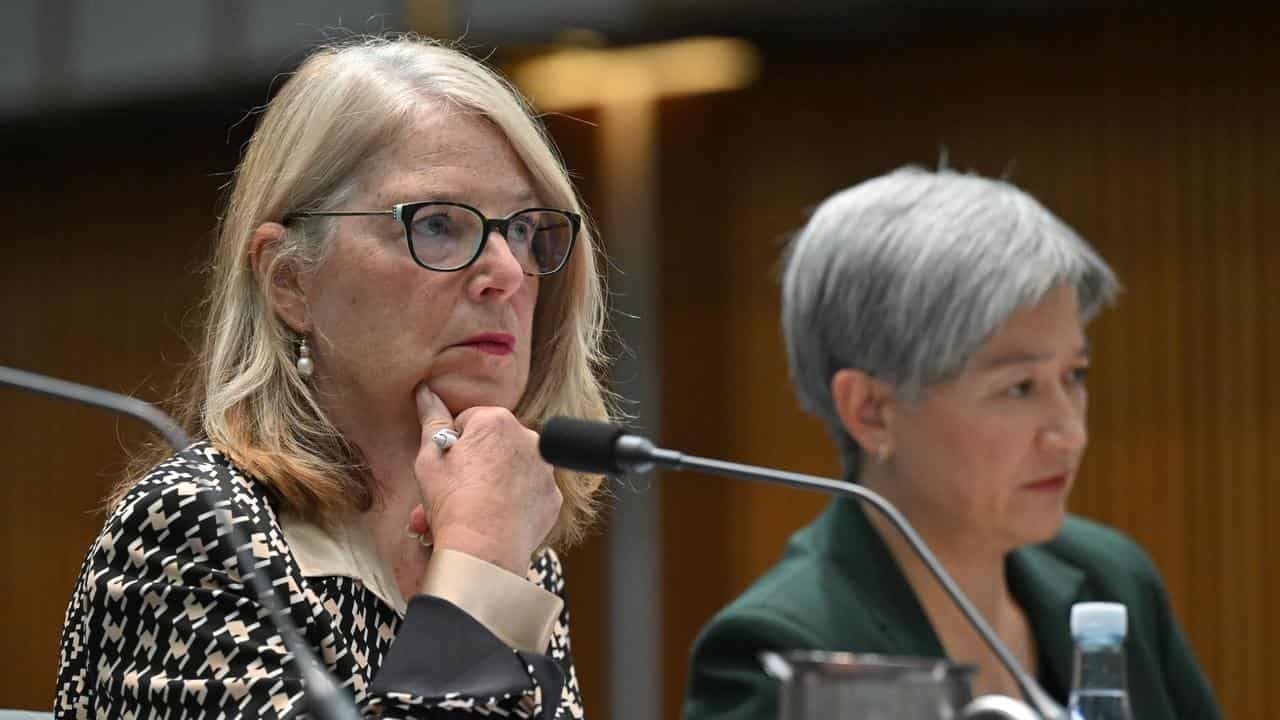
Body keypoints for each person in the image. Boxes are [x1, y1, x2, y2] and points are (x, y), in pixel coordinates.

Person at [55, 35, 613, 719]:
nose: (505, 270)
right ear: (291, 280)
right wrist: (484, 571)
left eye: (525, 229)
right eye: (437, 223)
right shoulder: (194, 530)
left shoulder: (500, 539)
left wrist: (486, 560)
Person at [683, 168, 1222, 719]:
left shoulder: (1113, 577)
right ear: (871, 411)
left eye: (1074, 376)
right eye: (1018, 388)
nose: (1070, 434)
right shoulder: (782, 649)